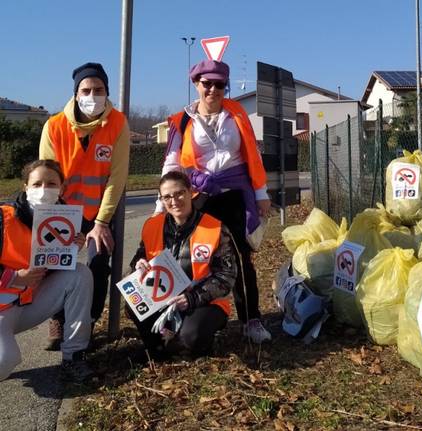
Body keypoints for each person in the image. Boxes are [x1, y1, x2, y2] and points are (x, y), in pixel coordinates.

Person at [158, 58, 272, 343]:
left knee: (241, 257)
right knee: (192, 257)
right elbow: (173, 163)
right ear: (196, 85)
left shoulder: (237, 115)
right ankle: (190, 316)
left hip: (234, 194)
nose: (213, 90)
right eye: (207, 84)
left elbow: (252, 154)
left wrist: (261, 193)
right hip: (199, 196)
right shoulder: (182, 120)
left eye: (219, 84)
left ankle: (251, 319)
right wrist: (163, 202)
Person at [39, 62, 130, 349]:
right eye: (86, 90)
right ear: (76, 93)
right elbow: (47, 175)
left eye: (99, 90)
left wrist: (102, 223)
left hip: (98, 214)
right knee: (54, 265)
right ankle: (58, 319)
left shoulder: (117, 123)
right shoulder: (54, 125)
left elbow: (118, 176)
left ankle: (87, 322)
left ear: (106, 91)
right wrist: (57, 219)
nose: (93, 95)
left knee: (98, 263)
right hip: (61, 209)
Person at [0, 160, 94, 382]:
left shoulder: (68, 218)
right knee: (5, 361)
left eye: (51, 183)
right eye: (37, 183)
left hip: (28, 303)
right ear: (25, 187)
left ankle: (74, 357)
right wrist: (13, 276)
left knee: (79, 275)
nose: (44, 190)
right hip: (2, 308)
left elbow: (49, 263)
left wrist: (70, 250)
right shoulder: (3, 217)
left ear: (62, 188)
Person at [129, 171, 237, 358]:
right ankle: (156, 348)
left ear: (190, 192)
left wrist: (193, 298)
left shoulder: (215, 228)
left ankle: (192, 342)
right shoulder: (152, 225)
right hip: (163, 297)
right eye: (167, 197)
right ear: (162, 200)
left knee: (191, 336)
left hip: (204, 301)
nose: (174, 201)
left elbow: (226, 276)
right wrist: (139, 264)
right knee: (133, 302)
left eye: (179, 193)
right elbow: (140, 256)